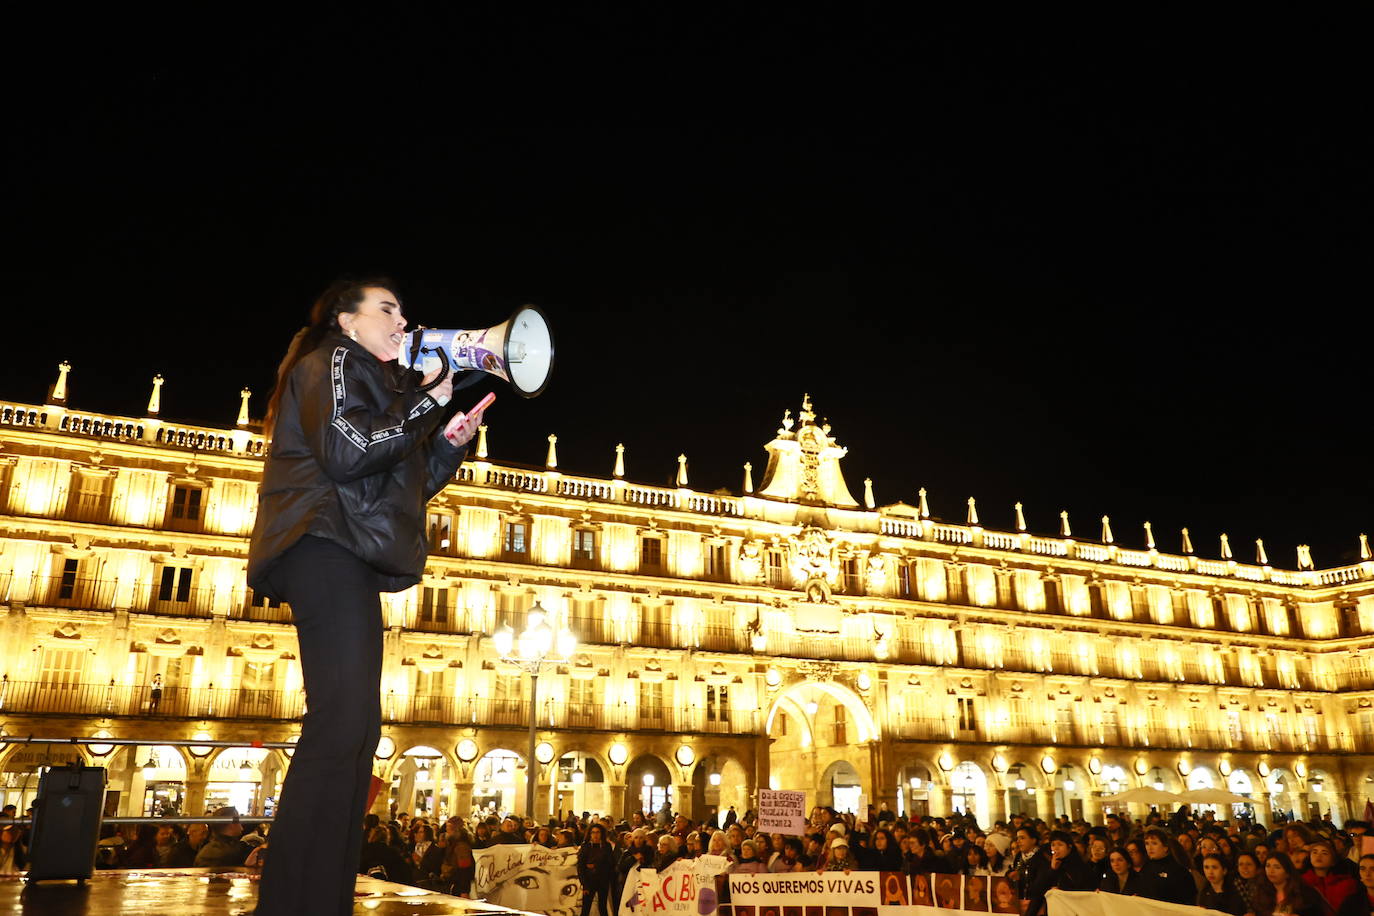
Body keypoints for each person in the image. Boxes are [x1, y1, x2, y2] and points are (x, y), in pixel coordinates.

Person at [247, 279, 487, 916]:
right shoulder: (327, 361)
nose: (403, 319)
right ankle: (293, 899)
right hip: (321, 543)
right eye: (388, 309)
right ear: (346, 321)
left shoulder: (377, 387)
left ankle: (319, 893)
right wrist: (426, 403)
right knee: (339, 722)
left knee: (356, 729)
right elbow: (350, 451)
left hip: (346, 546)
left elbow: (395, 487)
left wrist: (446, 444)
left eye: (403, 309)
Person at [1254, 852, 1325, 916]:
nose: (1271, 871)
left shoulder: (1305, 893)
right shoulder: (1262, 891)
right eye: (1268, 866)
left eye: (1277, 867)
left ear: (1287, 872)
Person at [1306, 838, 1360, 912]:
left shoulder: (1346, 883)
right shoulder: (1302, 882)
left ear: (1333, 861)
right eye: (1314, 852)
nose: (1318, 856)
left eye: (1324, 853)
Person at [577, 823, 616, 916]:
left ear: (601, 833)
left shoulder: (606, 846)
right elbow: (580, 866)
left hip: (603, 880)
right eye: (593, 832)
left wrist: (594, 865)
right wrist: (584, 884)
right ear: (590, 834)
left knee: (602, 907)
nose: (595, 835)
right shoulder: (585, 846)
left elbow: (610, 863)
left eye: (598, 832)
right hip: (589, 881)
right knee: (586, 908)